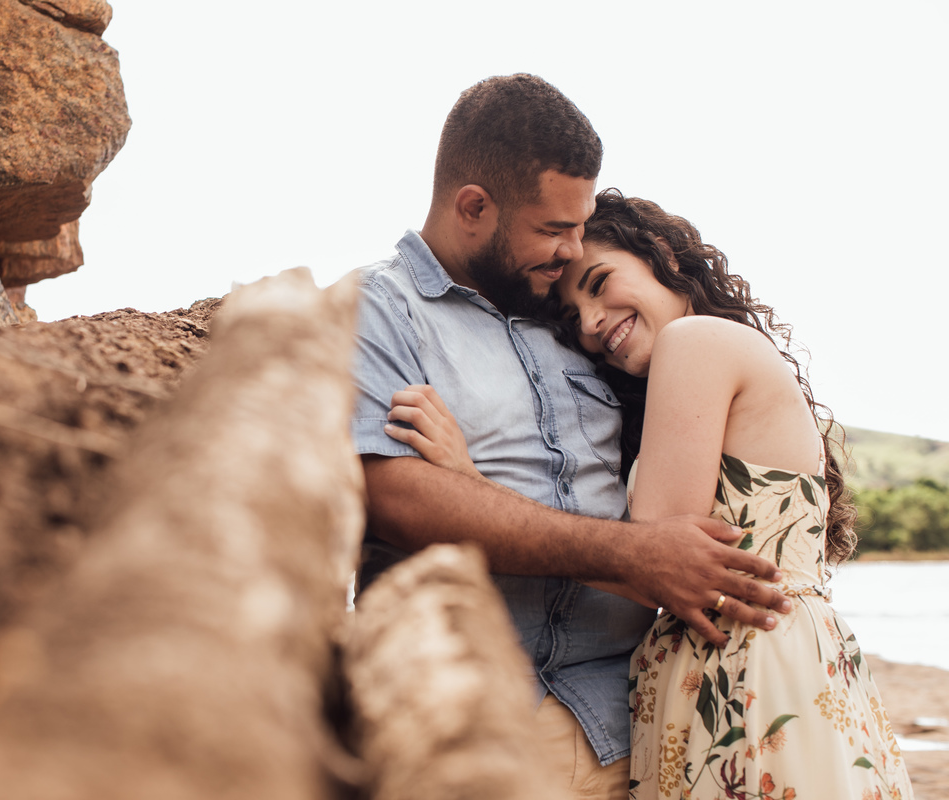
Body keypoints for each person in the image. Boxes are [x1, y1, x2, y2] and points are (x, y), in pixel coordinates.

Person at [351, 73, 791, 799]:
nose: (572, 250)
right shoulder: (381, 310)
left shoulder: (576, 327)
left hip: (640, 724)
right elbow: (395, 493)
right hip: (472, 726)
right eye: (554, 229)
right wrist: (633, 553)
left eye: (581, 227)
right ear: (473, 207)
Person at [391, 189, 914, 799]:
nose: (588, 323)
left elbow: (654, 562)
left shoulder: (694, 343)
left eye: (599, 281)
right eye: (571, 317)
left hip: (749, 677)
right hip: (766, 665)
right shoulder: (708, 356)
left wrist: (468, 481)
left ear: (660, 253)